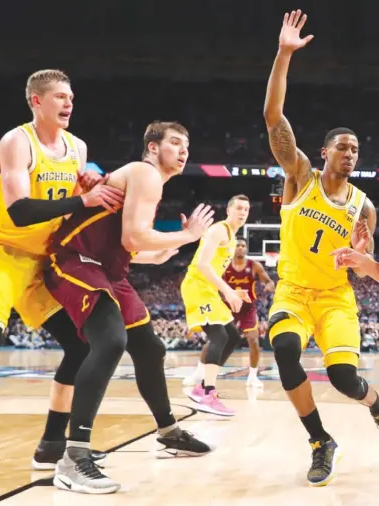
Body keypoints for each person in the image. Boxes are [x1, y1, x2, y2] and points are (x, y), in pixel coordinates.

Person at [0, 69, 122, 494]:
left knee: (81, 343)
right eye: (58, 96)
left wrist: (86, 185)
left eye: (71, 96)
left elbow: (63, 201)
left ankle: (52, 445)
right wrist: (83, 197)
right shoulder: (17, 141)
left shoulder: (78, 147)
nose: (68, 103)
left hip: (39, 261)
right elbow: (18, 210)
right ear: (36, 101)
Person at [44, 121, 215, 495]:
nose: (183, 150)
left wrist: (157, 255)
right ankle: (74, 456)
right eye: (174, 142)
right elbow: (132, 236)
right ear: (153, 148)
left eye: (187, 144)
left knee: (150, 348)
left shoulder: (147, 181)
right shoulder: (145, 173)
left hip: (107, 269)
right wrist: (187, 236)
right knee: (108, 342)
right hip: (74, 259)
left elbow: (129, 245)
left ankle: (169, 431)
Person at [264, 10, 379, 487]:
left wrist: (363, 260)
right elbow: (273, 117)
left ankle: (375, 402)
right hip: (293, 291)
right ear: (325, 150)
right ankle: (319, 440)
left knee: (344, 381)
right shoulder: (301, 175)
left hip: (335, 299)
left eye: (356, 149)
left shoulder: (364, 207)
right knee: (286, 349)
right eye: (343, 147)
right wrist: (284, 54)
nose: (350, 154)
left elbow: (375, 270)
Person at [181, 196, 251, 416]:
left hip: (208, 289)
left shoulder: (232, 236)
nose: (242, 212)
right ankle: (207, 392)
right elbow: (202, 264)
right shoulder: (218, 230)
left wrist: (230, 290)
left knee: (232, 336)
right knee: (219, 336)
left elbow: (214, 269)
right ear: (229, 210)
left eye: (246, 209)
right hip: (196, 286)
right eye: (238, 208)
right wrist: (228, 291)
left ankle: (201, 387)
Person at [183, 237, 275, 389]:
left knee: (253, 340)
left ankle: (252, 377)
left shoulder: (254, 266)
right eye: (237, 245)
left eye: (243, 245)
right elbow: (213, 282)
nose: (240, 248)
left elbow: (268, 281)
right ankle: (198, 373)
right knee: (215, 339)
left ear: (246, 248)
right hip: (226, 305)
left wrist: (269, 286)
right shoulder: (224, 266)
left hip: (246, 308)